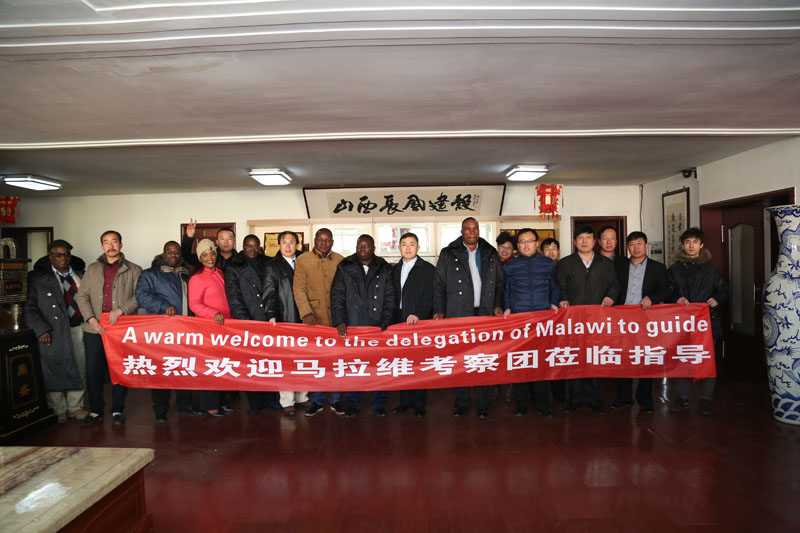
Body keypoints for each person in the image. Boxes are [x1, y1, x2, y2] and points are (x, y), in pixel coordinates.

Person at [433, 217, 504, 419]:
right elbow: (438, 284)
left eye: (475, 229)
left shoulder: (490, 253)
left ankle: (482, 403)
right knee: (461, 360)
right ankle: (462, 402)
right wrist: (439, 309)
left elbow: (499, 282)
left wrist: (498, 304)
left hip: (484, 313)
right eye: (467, 229)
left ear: (479, 231)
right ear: (461, 231)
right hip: (458, 313)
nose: (472, 232)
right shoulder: (449, 253)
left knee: (481, 359)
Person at [76, 230, 141, 425]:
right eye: (106, 242)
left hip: (121, 327)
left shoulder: (134, 269)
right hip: (95, 329)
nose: (110, 245)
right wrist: (91, 319)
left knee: (119, 369)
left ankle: (117, 410)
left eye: (114, 241)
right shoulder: (93, 268)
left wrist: (121, 310)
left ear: (121, 244)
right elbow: (82, 296)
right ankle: (96, 410)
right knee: (93, 371)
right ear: (102, 246)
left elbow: (139, 296)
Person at [135, 240, 203, 423]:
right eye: (169, 252)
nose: (173, 255)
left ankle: (185, 406)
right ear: (163, 254)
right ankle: (160, 411)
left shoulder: (186, 273)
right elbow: (142, 296)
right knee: (162, 370)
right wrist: (163, 306)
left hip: (186, 331)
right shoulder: (150, 274)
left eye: (176, 252)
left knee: (185, 369)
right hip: (162, 332)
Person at [330, 234, 395, 417]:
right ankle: (353, 403)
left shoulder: (384, 268)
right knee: (354, 365)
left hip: (378, 326)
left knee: (380, 366)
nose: (362, 249)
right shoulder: (345, 266)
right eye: (360, 246)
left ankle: (379, 403)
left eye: (366, 246)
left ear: (373, 248)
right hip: (354, 324)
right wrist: (340, 320)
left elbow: (390, 297)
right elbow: (337, 295)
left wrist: (386, 322)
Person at [25, 240, 89, 424]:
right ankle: (58, 409)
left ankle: (75, 407)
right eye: (57, 255)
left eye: (66, 254)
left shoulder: (81, 275)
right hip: (52, 331)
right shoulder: (37, 278)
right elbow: (29, 308)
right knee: (54, 368)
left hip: (79, 329)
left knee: (79, 368)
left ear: (70, 255)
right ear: (49, 256)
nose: (62, 258)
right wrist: (41, 329)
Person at [556, 225, 618, 414]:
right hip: (573, 321)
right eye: (580, 238)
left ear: (594, 241)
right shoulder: (566, 263)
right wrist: (563, 299)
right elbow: (561, 287)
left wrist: (611, 297)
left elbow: (614, 285)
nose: (584, 241)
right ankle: (574, 399)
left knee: (595, 358)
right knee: (574, 358)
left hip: (597, 322)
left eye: (588, 238)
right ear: (575, 242)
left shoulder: (605, 263)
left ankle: (594, 399)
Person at [667, 227, 729, 416]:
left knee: (707, 360)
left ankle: (706, 399)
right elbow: (667, 291)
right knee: (682, 359)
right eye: (687, 242)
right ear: (683, 246)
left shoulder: (711, 268)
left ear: (701, 245)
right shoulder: (675, 269)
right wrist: (675, 298)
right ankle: (682, 397)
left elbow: (723, 289)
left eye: (695, 242)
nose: (691, 245)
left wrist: (716, 299)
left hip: (707, 322)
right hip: (682, 323)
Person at [502, 228, 559, 418]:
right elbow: (506, 290)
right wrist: (508, 307)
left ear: (536, 243)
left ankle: (543, 405)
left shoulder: (547, 264)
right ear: (517, 246)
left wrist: (553, 302)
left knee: (541, 363)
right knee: (521, 363)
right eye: (522, 241)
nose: (526, 245)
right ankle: (521, 404)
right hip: (519, 320)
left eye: (530, 241)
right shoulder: (510, 266)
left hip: (542, 320)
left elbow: (554, 286)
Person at [612, 231, 670, 414]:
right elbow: (612, 287)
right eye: (631, 244)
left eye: (639, 243)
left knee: (645, 358)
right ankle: (623, 398)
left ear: (646, 246)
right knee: (622, 359)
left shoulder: (658, 268)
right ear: (627, 247)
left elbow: (666, 290)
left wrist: (652, 297)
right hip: (622, 319)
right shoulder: (618, 266)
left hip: (646, 320)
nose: (635, 248)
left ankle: (645, 399)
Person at [293, 228, 345, 417]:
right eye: (320, 239)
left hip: (336, 320)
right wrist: (306, 312)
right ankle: (315, 400)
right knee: (316, 362)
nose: (323, 243)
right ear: (315, 240)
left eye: (327, 240)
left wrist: (342, 317)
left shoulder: (340, 260)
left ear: (332, 242)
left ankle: (336, 400)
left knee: (336, 361)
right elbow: (298, 289)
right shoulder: (303, 260)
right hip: (314, 319)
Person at [225, 234, 276, 415]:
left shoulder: (269, 262)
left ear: (260, 247)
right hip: (249, 320)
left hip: (269, 320)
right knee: (252, 364)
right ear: (243, 247)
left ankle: (270, 398)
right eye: (248, 246)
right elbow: (234, 297)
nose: (252, 249)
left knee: (270, 362)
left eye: (255, 246)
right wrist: (245, 321)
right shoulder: (234, 266)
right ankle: (255, 401)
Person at [390, 232, 435, 417]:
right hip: (399, 320)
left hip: (419, 321)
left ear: (418, 247)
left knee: (419, 362)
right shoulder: (393, 269)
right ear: (399, 248)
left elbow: (431, 297)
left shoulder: (428, 269)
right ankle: (405, 401)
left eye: (412, 244)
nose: (408, 248)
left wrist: (420, 314)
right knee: (403, 362)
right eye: (404, 244)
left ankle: (419, 404)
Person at [264, 231, 308, 418]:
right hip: (285, 317)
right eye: (284, 242)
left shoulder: (304, 262)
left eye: (292, 242)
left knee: (304, 359)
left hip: (305, 318)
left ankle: (302, 396)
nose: (288, 246)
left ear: (297, 244)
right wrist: (271, 314)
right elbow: (269, 292)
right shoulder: (272, 266)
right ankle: (287, 401)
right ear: (279, 245)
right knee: (286, 361)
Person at [188, 239, 232, 417]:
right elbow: (194, 304)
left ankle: (222, 402)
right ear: (200, 258)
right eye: (204, 255)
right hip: (208, 329)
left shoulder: (221, 273)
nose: (209, 257)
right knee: (210, 366)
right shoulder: (197, 278)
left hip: (227, 327)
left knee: (224, 366)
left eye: (212, 253)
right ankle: (210, 405)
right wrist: (212, 313)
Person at [539, 236, 566, 403]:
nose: (551, 252)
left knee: (559, 355)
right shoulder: (538, 268)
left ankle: (559, 394)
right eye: (547, 249)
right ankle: (540, 396)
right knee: (542, 356)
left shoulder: (565, 267)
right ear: (541, 252)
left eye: (554, 248)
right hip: (541, 320)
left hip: (562, 321)